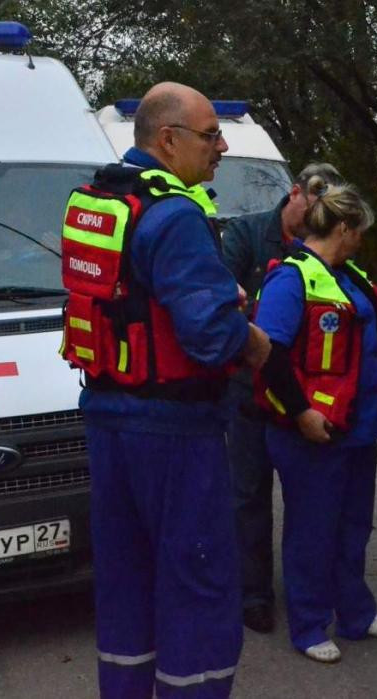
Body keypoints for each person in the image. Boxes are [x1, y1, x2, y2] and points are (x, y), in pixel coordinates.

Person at [61, 82, 272, 699]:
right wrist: (256, 342)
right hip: (175, 431)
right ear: (168, 139)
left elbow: (124, 299)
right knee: (197, 580)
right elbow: (211, 336)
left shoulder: (96, 199)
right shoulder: (176, 213)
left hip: (107, 419)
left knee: (126, 581)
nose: (222, 146)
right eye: (211, 135)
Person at [252, 181, 377, 664]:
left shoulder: (347, 274)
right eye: (359, 231)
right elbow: (267, 353)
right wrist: (300, 412)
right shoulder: (290, 279)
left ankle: (356, 613)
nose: (362, 240)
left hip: (357, 427)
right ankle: (309, 623)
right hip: (310, 430)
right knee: (312, 530)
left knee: (353, 525)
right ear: (343, 228)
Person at [219, 162, 345, 634]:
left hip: (303, 388)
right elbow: (225, 300)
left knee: (307, 496)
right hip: (249, 389)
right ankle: (254, 593)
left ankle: (308, 589)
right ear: (296, 194)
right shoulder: (246, 234)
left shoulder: (321, 246)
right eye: (315, 208)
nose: (320, 220)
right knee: (248, 493)